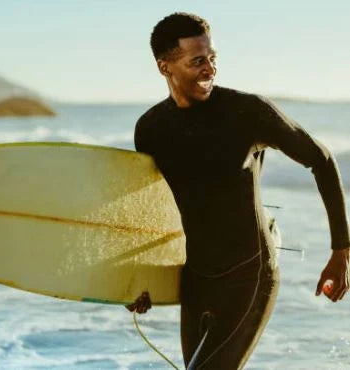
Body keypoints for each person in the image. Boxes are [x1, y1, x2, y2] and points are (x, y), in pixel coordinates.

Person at [128, 12, 350, 369]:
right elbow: (157, 209)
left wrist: (341, 251)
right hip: (197, 278)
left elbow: (321, 160)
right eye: (197, 61)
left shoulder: (247, 113)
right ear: (164, 66)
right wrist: (142, 279)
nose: (210, 69)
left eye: (213, 58)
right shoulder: (151, 128)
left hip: (250, 273)